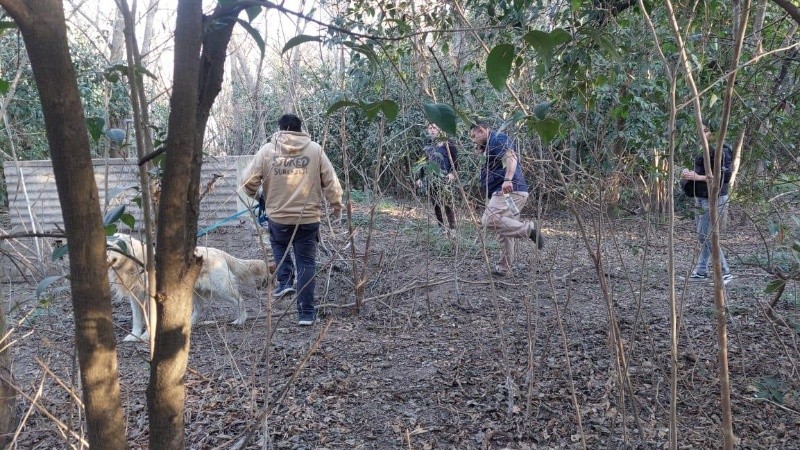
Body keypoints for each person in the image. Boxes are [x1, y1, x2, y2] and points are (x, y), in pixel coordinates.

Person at [241, 113, 343, 325]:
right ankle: (306, 313)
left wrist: (260, 196)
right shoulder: (315, 150)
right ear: (300, 129)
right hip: (307, 219)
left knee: (279, 245)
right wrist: (336, 205)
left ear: (279, 129)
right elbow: (330, 181)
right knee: (306, 263)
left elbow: (247, 182)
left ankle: (285, 280)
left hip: (278, 218)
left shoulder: (268, 151)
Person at [470, 120, 544, 277]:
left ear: (482, 130)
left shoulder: (497, 138)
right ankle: (504, 269)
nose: (473, 139)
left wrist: (508, 179)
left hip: (508, 191)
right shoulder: (489, 145)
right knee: (504, 231)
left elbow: (511, 156)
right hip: (514, 195)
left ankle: (529, 229)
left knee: (489, 220)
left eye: (474, 135)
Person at [680, 122, 734, 284]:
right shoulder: (702, 150)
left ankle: (725, 272)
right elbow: (702, 172)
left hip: (715, 198)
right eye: (700, 131)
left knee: (706, 236)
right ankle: (701, 271)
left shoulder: (722, 150)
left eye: (706, 131)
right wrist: (689, 174)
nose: (702, 134)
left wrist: (697, 177)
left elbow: (724, 177)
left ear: (714, 132)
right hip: (701, 196)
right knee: (702, 235)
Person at [416, 123, 458, 230]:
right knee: (435, 203)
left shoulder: (448, 144)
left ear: (440, 129)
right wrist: (420, 177)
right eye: (430, 128)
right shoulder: (428, 146)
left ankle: (452, 227)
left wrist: (452, 173)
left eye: (434, 127)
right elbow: (423, 163)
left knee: (447, 202)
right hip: (431, 178)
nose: (432, 130)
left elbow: (455, 160)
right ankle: (441, 227)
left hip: (445, 177)